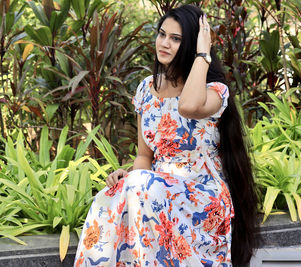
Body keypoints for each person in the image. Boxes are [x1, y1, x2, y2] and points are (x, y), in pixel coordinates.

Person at [74, 4, 258, 267]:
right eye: (162, 34)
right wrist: (128, 178)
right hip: (154, 192)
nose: (164, 43)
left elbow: (188, 106)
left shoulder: (214, 91)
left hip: (201, 197)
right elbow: (143, 155)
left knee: (140, 186)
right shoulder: (146, 90)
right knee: (110, 195)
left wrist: (202, 55)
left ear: (193, 45)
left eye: (176, 39)